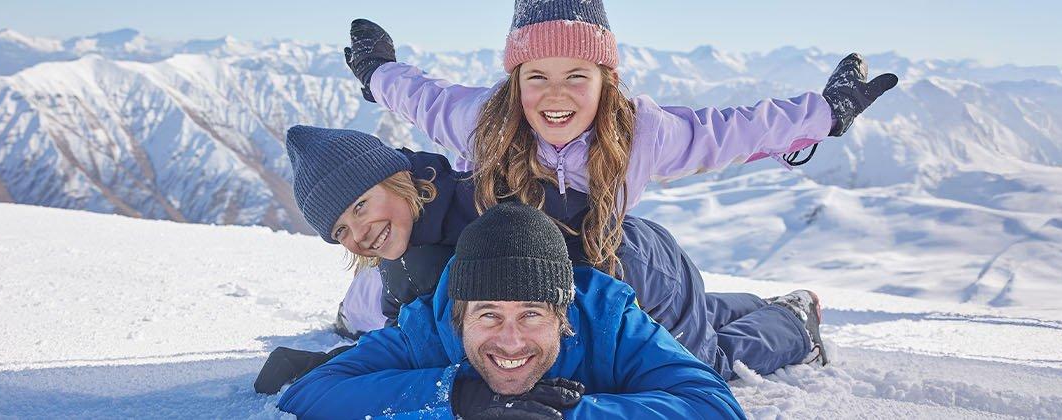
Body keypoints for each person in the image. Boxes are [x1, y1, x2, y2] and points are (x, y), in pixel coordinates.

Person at [343, 0, 898, 276]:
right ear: (515, 83)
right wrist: (376, 72)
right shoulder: (484, 122)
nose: (554, 95)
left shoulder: (639, 133)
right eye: (536, 77)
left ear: (605, 82)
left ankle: (784, 320)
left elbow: (734, 129)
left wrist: (826, 113)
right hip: (509, 274)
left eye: (576, 76)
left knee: (688, 336)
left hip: (597, 270)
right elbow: (423, 96)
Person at [254, 126, 823, 394]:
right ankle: (748, 303)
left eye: (360, 206)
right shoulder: (405, 244)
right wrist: (336, 359)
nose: (358, 233)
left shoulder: (492, 202)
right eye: (340, 230)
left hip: (634, 271)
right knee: (685, 319)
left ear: (395, 178)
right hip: (614, 282)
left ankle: (795, 321)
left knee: (705, 361)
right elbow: (418, 328)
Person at [277, 202, 747, 419]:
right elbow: (309, 392)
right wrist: (456, 396)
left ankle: (783, 315)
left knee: (728, 349)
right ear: (458, 317)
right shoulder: (426, 331)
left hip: (661, 271)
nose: (510, 341)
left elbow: (715, 406)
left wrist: (565, 414)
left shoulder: (609, 319)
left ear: (563, 316)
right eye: (488, 315)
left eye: (531, 314)